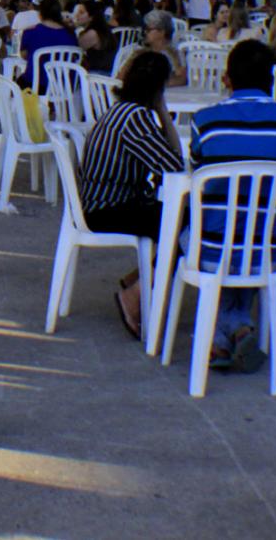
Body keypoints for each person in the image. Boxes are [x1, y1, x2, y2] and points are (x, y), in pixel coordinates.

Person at [187, 40, 276, 374]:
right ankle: (237, 330)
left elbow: (197, 173)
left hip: (213, 248)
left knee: (202, 238)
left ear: (227, 78)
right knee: (250, 237)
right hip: (268, 250)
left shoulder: (205, 121)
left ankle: (227, 334)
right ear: (272, 79)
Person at [76, 51, 185, 340]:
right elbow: (175, 165)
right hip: (110, 208)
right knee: (187, 225)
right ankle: (136, 294)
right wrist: (163, 111)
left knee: (180, 218)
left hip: (99, 202)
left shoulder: (121, 110)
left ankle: (140, 277)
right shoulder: (136, 119)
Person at [17, 0, 77, 91]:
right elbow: (74, 57)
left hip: (37, 84)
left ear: (40, 14)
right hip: (64, 85)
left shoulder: (30, 32)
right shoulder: (70, 33)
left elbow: (24, 55)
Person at [137, 10, 188, 87]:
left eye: (148, 29)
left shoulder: (175, 54)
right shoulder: (137, 51)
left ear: (162, 32)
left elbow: (182, 80)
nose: (144, 32)